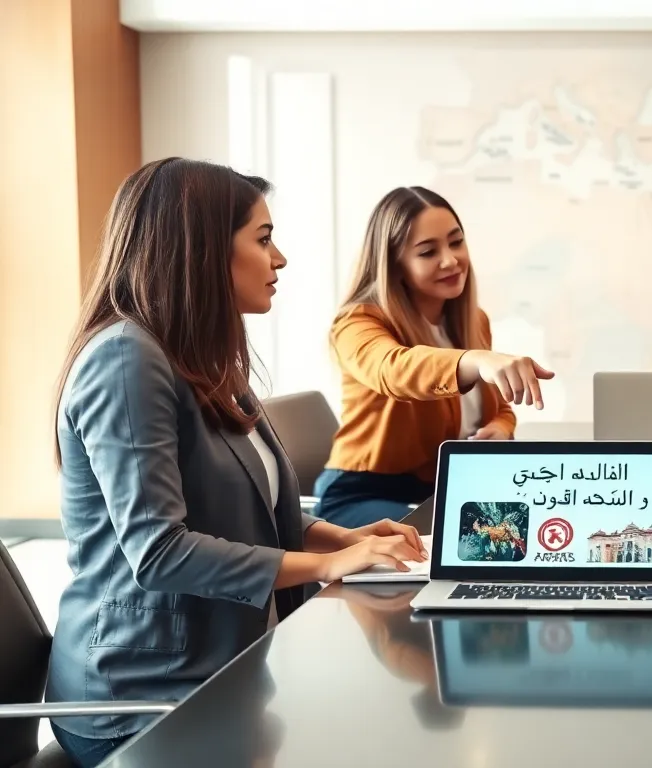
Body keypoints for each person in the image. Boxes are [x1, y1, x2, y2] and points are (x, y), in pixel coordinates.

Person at [47, 158, 427, 767]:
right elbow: (160, 551)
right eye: (263, 239)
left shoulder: (204, 357)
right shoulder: (124, 360)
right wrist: (330, 563)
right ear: (199, 250)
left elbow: (239, 508)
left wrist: (346, 539)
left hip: (224, 674)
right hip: (143, 699)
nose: (280, 260)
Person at [315, 187, 553, 528]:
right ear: (395, 264)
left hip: (442, 489)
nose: (450, 260)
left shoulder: (473, 321)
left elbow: (498, 407)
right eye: (428, 252)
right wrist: (475, 360)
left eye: (456, 242)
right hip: (361, 494)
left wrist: (500, 428)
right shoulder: (357, 322)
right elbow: (393, 370)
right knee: (477, 539)